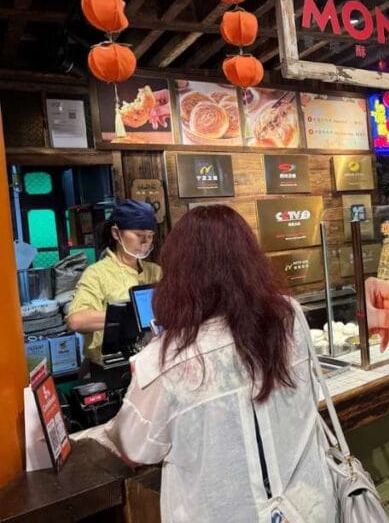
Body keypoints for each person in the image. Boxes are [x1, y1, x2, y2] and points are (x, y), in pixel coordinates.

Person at [77, 205, 336, 522]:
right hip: (310, 506)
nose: (146, 244)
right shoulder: (288, 315)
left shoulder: (166, 358)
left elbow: (138, 447)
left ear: (181, 273)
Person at [67, 200, 162, 367]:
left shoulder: (155, 271)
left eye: (149, 236)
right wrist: (131, 317)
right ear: (117, 234)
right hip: (111, 366)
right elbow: (76, 320)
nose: (145, 242)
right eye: (139, 236)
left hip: (151, 361)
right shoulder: (97, 273)